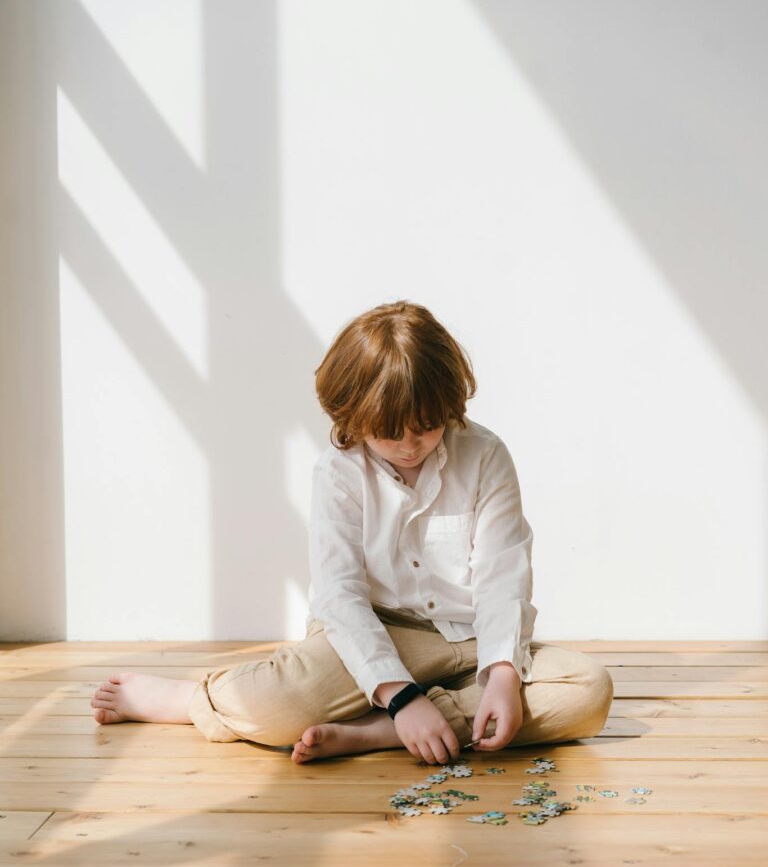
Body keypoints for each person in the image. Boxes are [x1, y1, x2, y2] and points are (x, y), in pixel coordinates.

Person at [89, 300, 613, 766]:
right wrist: (402, 695)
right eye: (389, 434)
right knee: (273, 707)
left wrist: (501, 672)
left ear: (451, 407)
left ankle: (380, 733)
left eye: (426, 427)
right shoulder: (338, 472)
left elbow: (503, 575)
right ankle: (192, 700)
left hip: (473, 638)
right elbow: (339, 596)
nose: (410, 446)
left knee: (587, 690)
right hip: (376, 632)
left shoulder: (486, 455)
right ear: (354, 418)